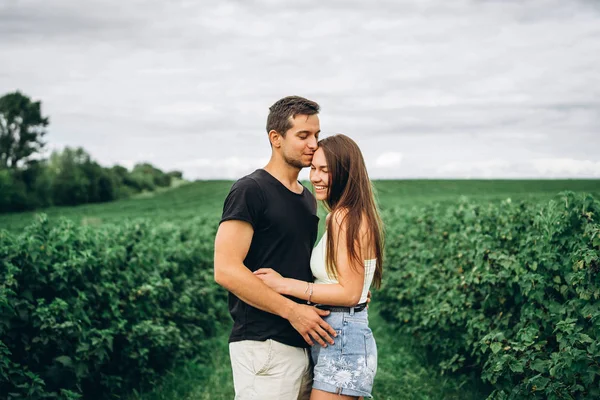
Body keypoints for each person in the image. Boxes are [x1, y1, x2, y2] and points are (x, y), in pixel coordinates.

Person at [213, 95, 337, 400]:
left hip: (302, 341)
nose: (313, 144)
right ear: (276, 138)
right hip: (263, 342)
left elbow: (299, 265)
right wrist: (293, 312)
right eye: (303, 135)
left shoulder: (307, 199)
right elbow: (226, 270)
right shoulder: (251, 190)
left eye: (317, 136)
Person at [254, 134, 384, 399]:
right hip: (339, 331)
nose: (315, 177)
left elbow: (348, 292)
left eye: (325, 170)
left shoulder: (343, 219)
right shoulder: (348, 216)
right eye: (313, 168)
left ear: (346, 173)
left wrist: (283, 284)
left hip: (342, 335)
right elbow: (352, 287)